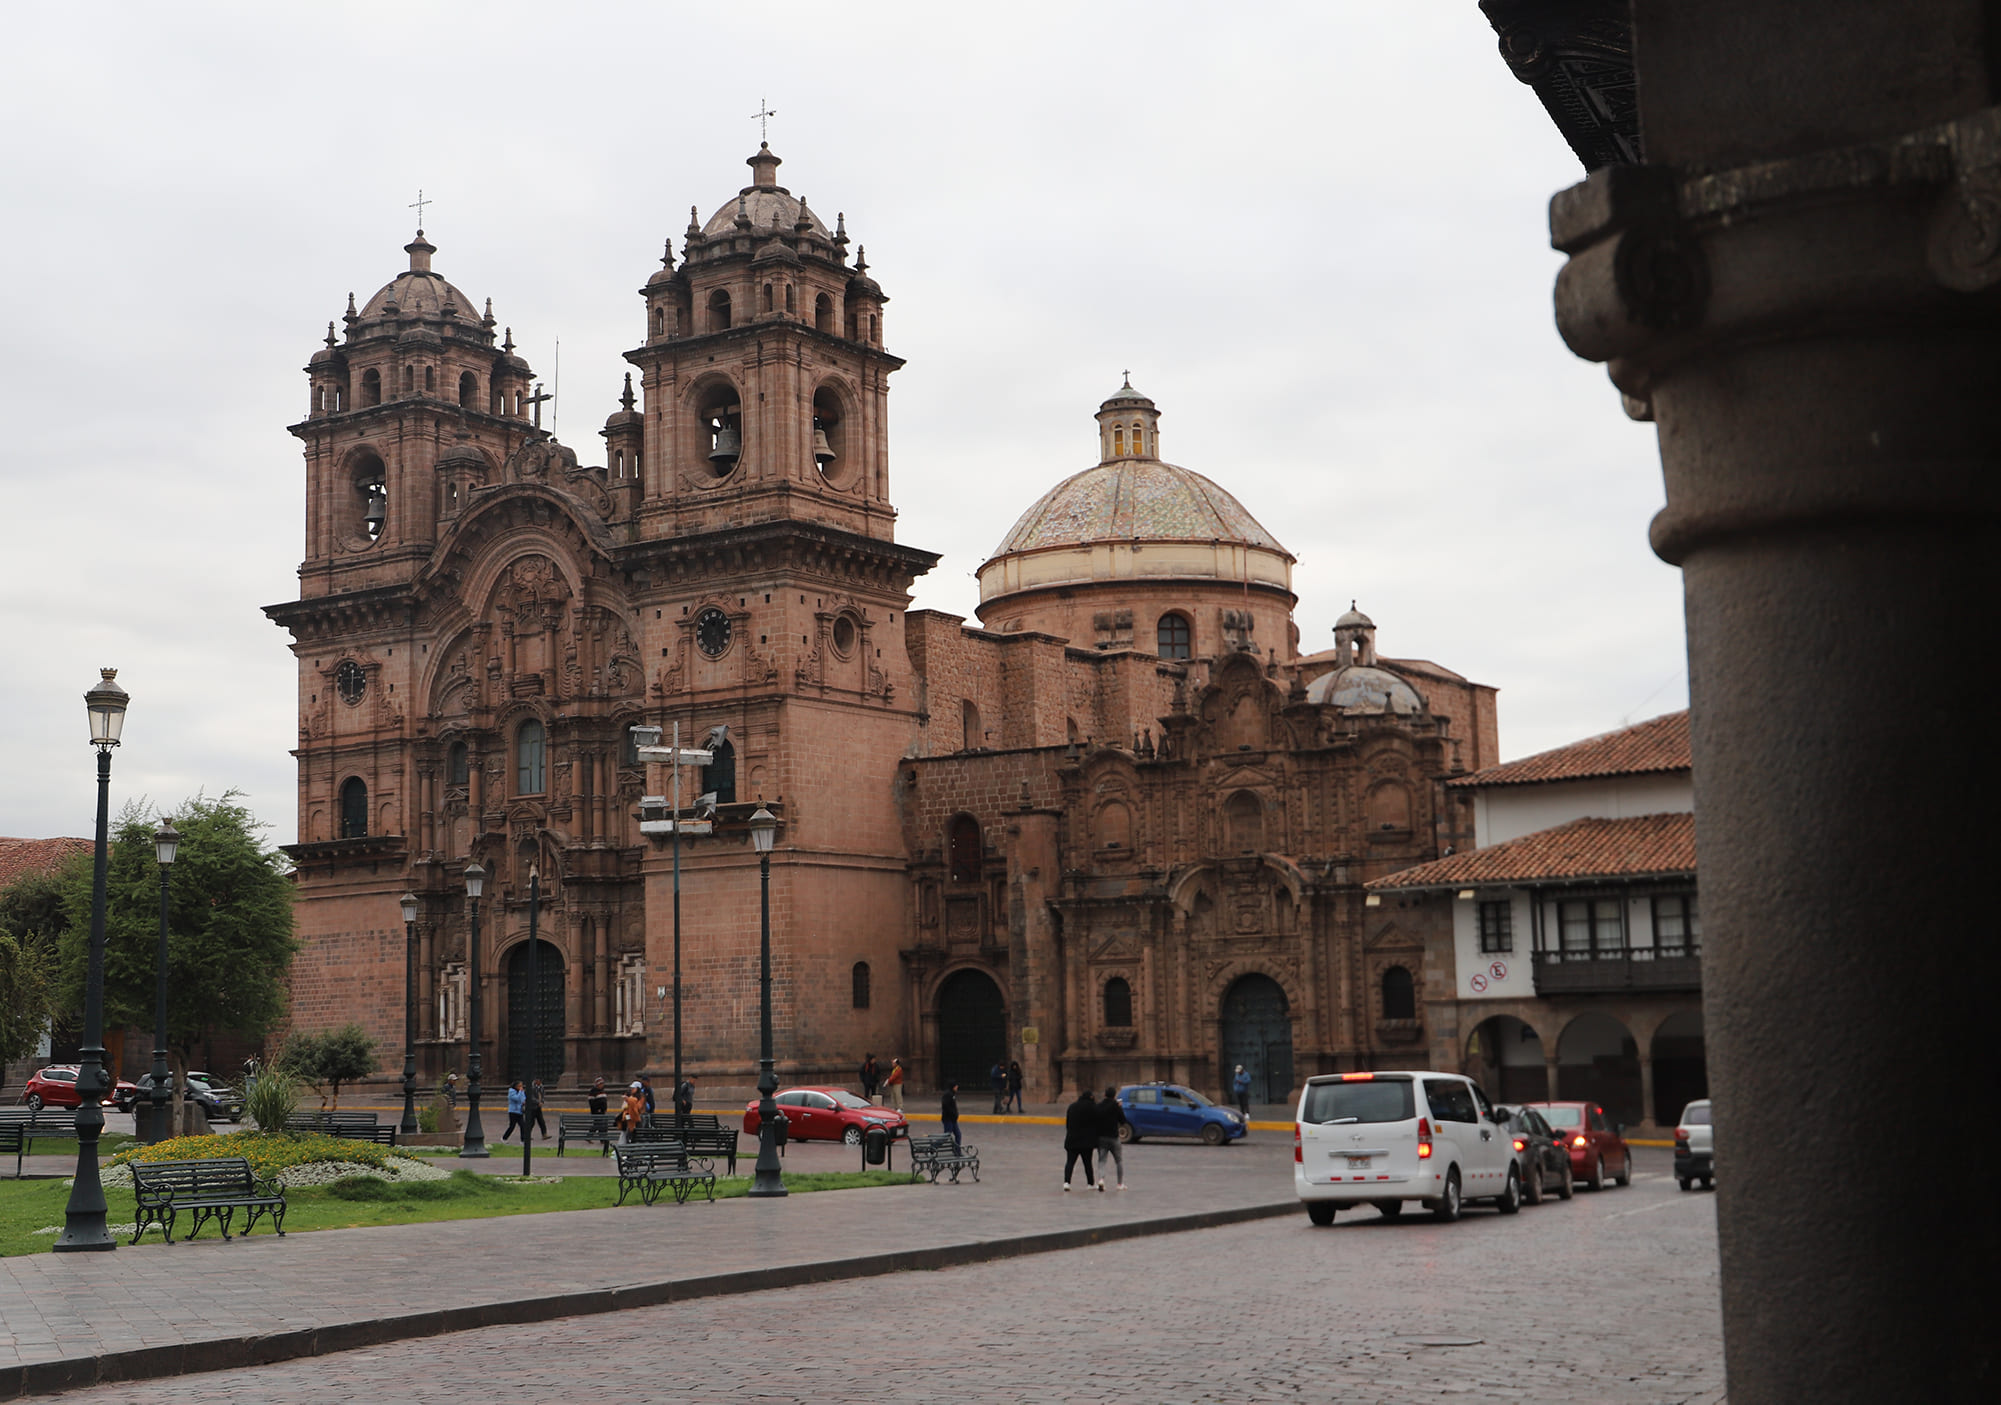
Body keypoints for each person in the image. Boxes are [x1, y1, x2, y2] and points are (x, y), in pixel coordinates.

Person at [1062, 1088, 1098, 1191]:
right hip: (1086, 1142)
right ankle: (1090, 1183)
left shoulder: (1072, 1107)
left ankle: (1067, 1182)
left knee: (1070, 1162)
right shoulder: (1092, 1107)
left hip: (1072, 1140)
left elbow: (1068, 1124)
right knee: (1087, 1163)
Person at [1095, 1085, 1129, 1191]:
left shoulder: (1099, 1106)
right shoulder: (1116, 1106)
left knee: (1102, 1160)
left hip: (1101, 1137)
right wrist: (1119, 1107)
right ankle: (1119, 1184)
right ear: (1114, 1096)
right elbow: (1123, 1121)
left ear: (1105, 1095)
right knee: (1118, 1161)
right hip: (1114, 1137)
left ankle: (1101, 1180)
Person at [588, 1077, 611, 1156]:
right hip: (597, 1112)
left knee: (603, 1125)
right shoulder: (593, 1092)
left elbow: (604, 1101)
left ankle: (602, 1139)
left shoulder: (602, 1091)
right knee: (597, 1125)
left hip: (602, 1111)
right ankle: (589, 1136)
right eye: (601, 1084)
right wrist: (597, 1110)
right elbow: (592, 1102)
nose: (602, 1085)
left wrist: (604, 1109)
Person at [942, 1081, 962, 1152]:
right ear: (953, 1087)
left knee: (958, 1135)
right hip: (948, 1119)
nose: (957, 1087)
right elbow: (946, 1106)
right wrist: (953, 1113)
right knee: (946, 1136)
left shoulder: (952, 1094)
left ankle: (957, 1151)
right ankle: (933, 1147)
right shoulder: (948, 1094)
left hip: (953, 1119)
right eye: (956, 1086)